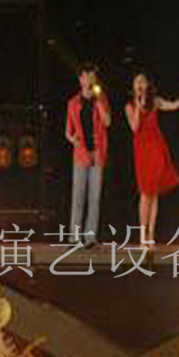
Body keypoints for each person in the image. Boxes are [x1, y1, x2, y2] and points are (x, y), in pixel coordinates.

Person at [125, 73, 179, 246]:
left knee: (154, 192)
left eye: (143, 81)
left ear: (147, 85)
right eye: (137, 82)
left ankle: (151, 234)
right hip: (142, 150)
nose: (140, 84)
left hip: (156, 147)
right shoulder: (129, 106)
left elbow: (173, 105)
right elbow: (134, 127)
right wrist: (138, 106)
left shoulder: (155, 102)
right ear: (133, 87)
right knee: (145, 193)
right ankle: (142, 236)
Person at [65, 62, 111, 248]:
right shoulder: (73, 103)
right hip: (81, 153)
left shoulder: (102, 99)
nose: (89, 80)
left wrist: (98, 102)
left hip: (97, 153)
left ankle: (90, 238)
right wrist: (73, 139)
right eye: (86, 76)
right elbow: (67, 131)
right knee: (78, 196)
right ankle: (74, 238)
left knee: (94, 198)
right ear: (80, 79)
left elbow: (107, 122)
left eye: (92, 76)